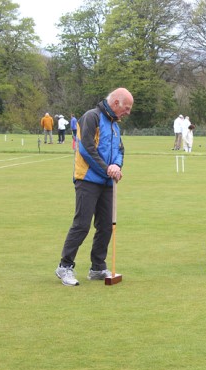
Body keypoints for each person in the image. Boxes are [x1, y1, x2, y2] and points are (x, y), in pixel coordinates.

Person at [55, 88, 133, 286]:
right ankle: (65, 267)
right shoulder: (92, 117)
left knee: (106, 226)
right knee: (82, 224)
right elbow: (87, 149)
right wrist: (108, 169)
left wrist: (116, 166)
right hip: (87, 179)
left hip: (107, 182)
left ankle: (97, 267)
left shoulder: (115, 125)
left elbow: (120, 149)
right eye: (127, 108)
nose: (128, 112)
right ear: (116, 103)